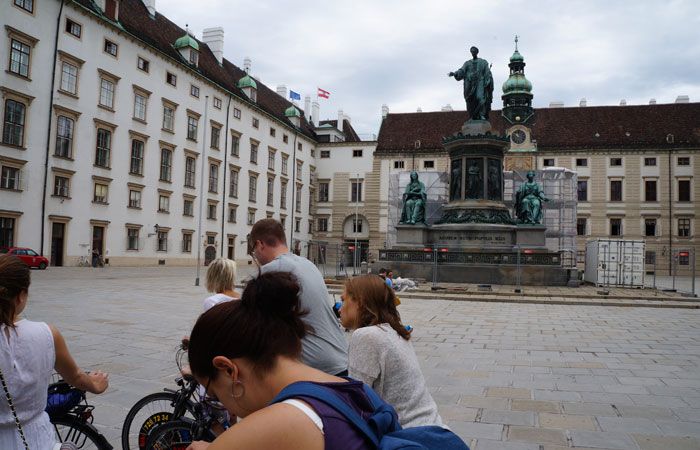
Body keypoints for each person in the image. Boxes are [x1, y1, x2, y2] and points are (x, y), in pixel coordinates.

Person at [185, 272, 383, 450]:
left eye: (215, 394)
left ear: (228, 369)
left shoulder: (277, 425)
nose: (226, 407)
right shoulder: (358, 391)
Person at [0, 255, 109, 449]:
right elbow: (75, 377)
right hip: (35, 439)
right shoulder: (46, 334)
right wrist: (96, 384)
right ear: (20, 296)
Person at [340, 275, 443, 428]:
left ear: (359, 302)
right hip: (431, 426)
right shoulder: (394, 332)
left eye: (343, 300)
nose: (340, 308)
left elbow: (356, 403)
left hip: (407, 435)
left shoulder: (366, 336)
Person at [249, 219, 347, 376]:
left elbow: (248, 318)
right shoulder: (308, 264)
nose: (256, 257)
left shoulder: (272, 270)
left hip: (314, 366)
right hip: (340, 355)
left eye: (254, 251)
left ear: (260, 244)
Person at [448, 45, 494, 121]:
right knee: (471, 101)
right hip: (470, 84)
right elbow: (462, 71)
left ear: (477, 52)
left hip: (480, 82)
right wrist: (455, 73)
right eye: (471, 51)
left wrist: (488, 79)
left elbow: (487, 72)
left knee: (480, 98)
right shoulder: (467, 63)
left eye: (474, 51)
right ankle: (473, 116)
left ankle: (482, 115)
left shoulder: (483, 62)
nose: (473, 53)